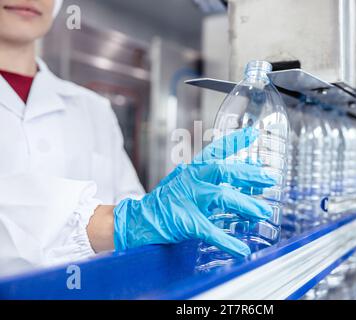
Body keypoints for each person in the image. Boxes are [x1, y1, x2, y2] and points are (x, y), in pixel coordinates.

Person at [0, 0, 274, 276]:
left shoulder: (92, 108)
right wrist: (123, 223)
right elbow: (123, 222)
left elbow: (131, 205)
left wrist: (163, 210)